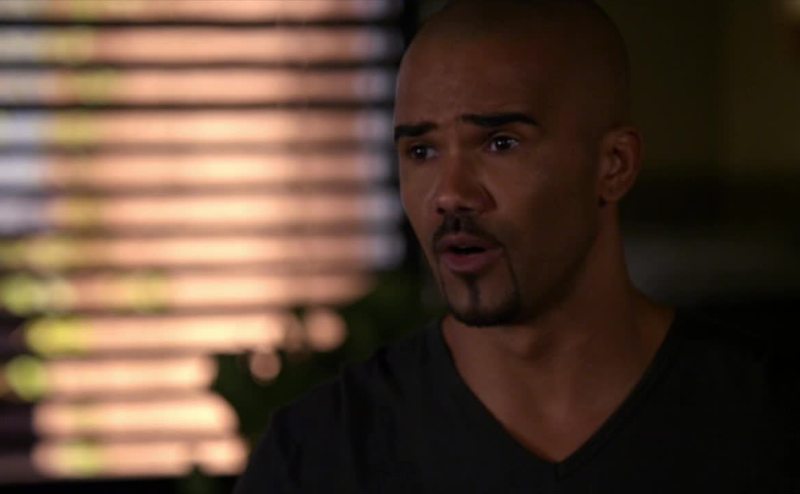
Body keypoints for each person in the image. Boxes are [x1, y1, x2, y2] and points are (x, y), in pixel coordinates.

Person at [235, 1, 799, 492]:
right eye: (421, 152)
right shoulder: (319, 454)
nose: (449, 194)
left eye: (500, 143)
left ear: (614, 166)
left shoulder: (767, 426)